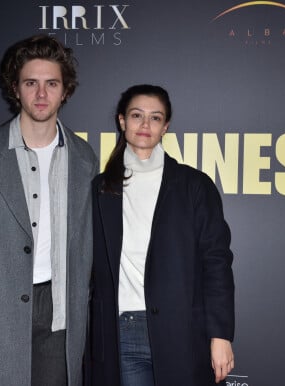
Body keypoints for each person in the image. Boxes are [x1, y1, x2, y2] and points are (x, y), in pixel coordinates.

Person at [0, 35, 98, 386]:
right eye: (31, 83)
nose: (41, 94)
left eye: (51, 84)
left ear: (65, 90)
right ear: (16, 89)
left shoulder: (83, 158)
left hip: (59, 308)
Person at [87, 84, 235, 386]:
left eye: (155, 118)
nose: (145, 125)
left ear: (165, 126)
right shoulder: (100, 189)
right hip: (121, 331)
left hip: (182, 332)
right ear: (122, 121)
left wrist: (220, 335)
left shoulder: (194, 185)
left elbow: (217, 263)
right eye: (137, 115)